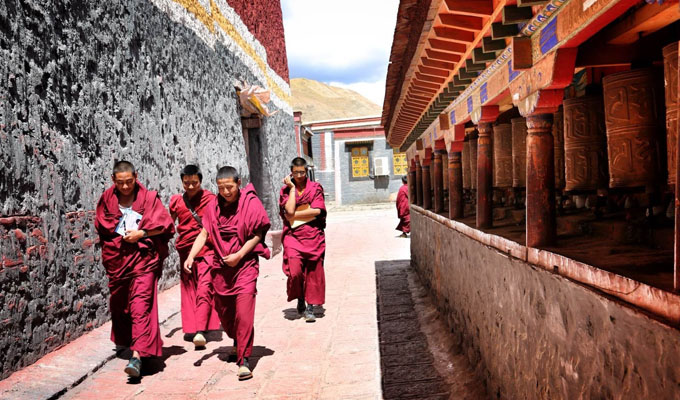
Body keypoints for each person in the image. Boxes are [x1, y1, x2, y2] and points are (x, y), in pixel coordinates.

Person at [184, 166, 270, 381]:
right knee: (225, 312)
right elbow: (204, 233)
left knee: (244, 312)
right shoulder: (213, 206)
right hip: (221, 267)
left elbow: (258, 233)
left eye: (230, 187)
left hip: (245, 265)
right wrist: (191, 256)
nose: (226, 192)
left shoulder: (250, 202)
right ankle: (237, 340)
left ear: (239, 183)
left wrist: (239, 255)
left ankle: (244, 360)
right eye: (221, 188)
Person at [94, 160, 175, 378]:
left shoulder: (149, 199)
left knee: (141, 305)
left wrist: (142, 234)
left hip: (143, 260)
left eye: (130, 181)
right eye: (121, 183)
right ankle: (134, 342)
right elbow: (102, 227)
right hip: (118, 261)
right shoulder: (107, 200)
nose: (126, 187)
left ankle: (137, 357)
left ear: (136, 176)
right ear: (113, 180)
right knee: (121, 305)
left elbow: (165, 226)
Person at [169, 165, 221, 349]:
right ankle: (194, 326)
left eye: (194, 183)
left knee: (205, 287)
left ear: (201, 181)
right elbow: (169, 224)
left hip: (207, 249)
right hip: (185, 250)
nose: (190, 187)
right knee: (190, 289)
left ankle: (200, 330)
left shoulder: (211, 199)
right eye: (186, 183)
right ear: (182, 182)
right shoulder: (176, 201)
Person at [279, 157, 326, 322]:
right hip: (293, 236)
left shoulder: (315, 188)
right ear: (291, 172)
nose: (299, 176)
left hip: (313, 235)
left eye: (302, 172)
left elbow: (318, 211)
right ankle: (300, 297)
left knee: (313, 271)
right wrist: (292, 189)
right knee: (296, 271)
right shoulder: (285, 190)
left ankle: (310, 307)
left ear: (307, 172)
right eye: (295, 172)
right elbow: (289, 209)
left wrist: (293, 215)